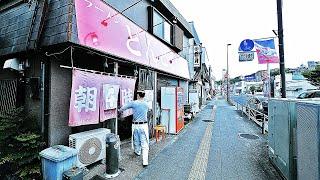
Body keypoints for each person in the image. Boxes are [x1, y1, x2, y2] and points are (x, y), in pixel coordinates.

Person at [119, 90, 150, 167]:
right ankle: (145, 161)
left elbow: (123, 108)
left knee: (136, 139)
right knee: (144, 142)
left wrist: (119, 110)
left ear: (138, 95)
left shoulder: (134, 103)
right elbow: (149, 110)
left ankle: (138, 152)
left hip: (135, 125)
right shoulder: (147, 104)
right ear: (144, 95)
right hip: (144, 125)